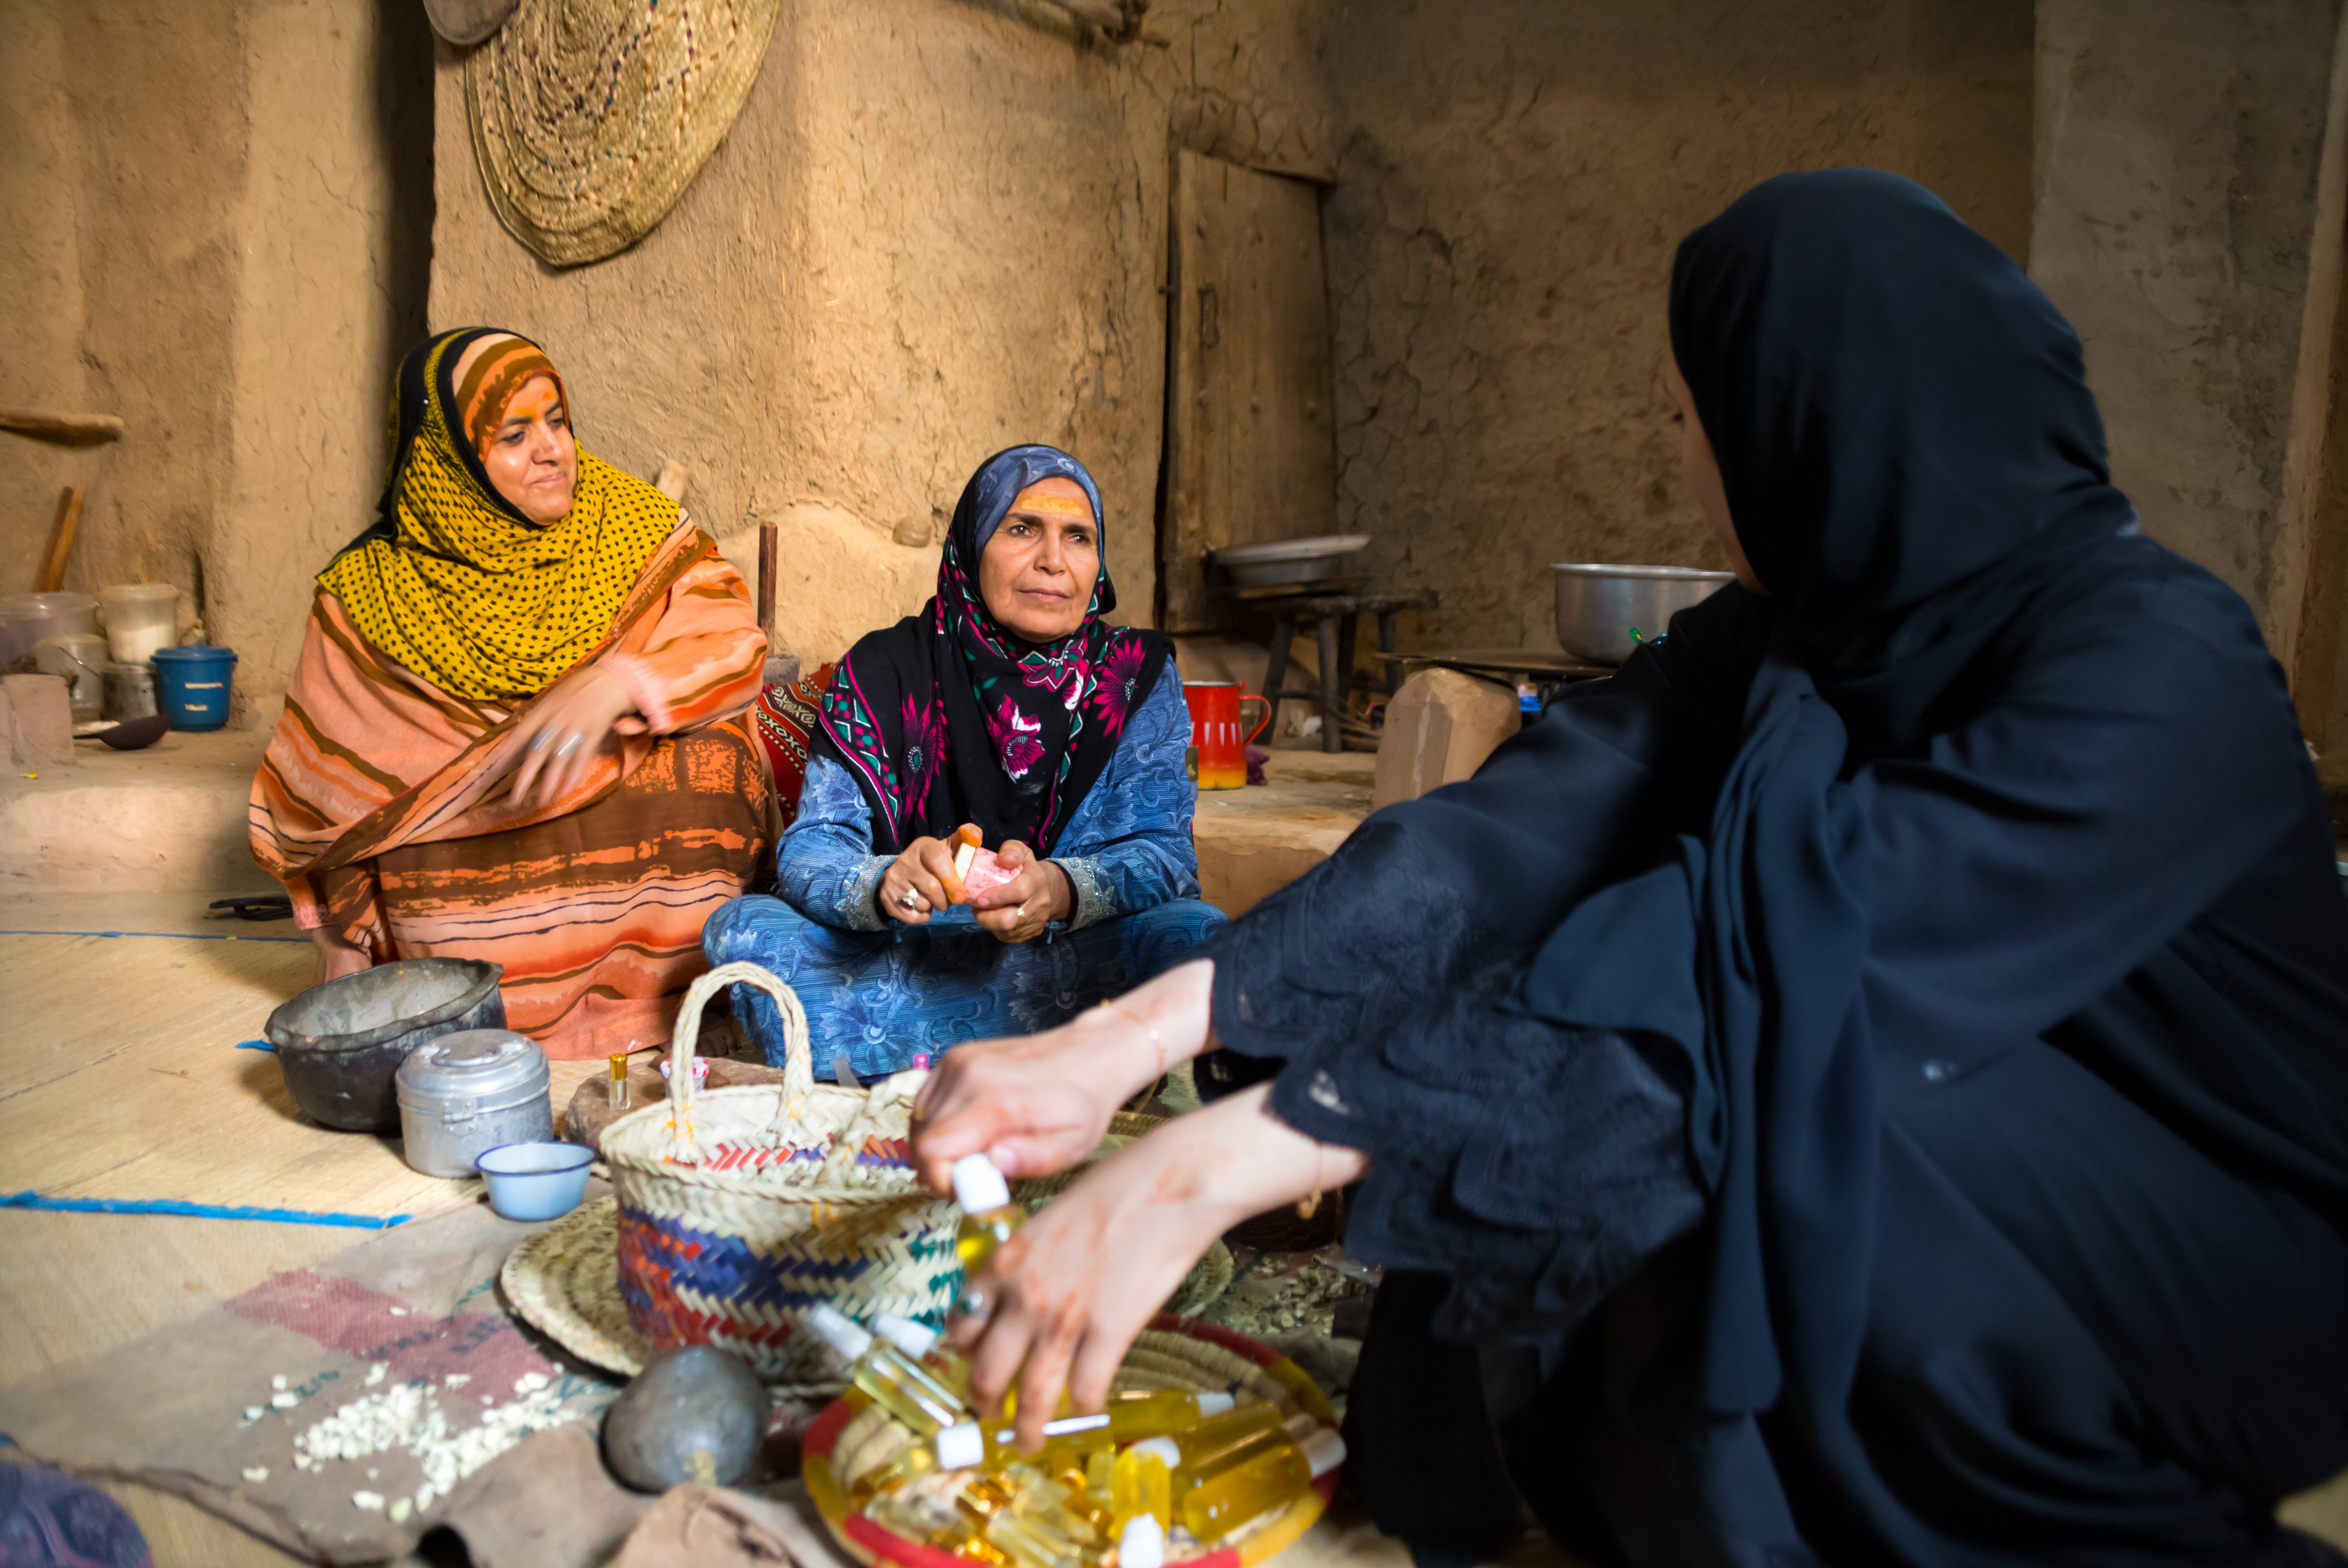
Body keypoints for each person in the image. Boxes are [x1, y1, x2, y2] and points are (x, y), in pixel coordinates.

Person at [907, 172, 2348, 1566]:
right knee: (1624, 993)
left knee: (1766, 1094)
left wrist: (1217, 1162)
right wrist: (1122, 1041)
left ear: (1808, 422)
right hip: (1957, 1122)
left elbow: (1771, 975)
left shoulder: (2162, 673)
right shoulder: (1796, 628)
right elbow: (1513, 830)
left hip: (2211, 1255)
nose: (1683, 462)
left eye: (1688, 418)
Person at [251, 328, 770, 1059]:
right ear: (450, 460)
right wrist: (340, 937)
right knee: (428, 813)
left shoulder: (631, 524)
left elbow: (732, 642)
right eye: (514, 435)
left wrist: (619, 681)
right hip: (469, 889)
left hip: (651, 906)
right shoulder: (371, 593)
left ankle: (664, 1000)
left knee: (713, 758)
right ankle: (493, 1003)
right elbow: (323, 792)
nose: (553, 449)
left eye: (557, 421)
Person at [703, 445, 1223, 1077]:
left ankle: (893, 1058)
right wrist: (886, 880)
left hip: (1065, 941)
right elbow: (812, 850)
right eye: (1023, 529)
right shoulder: (884, 669)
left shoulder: (1135, 675)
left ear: (1098, 562)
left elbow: (1166, 857)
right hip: (909, 941)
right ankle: (1074, 1060)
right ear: (971, 545)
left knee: (1201, 936)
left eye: (1078, 537)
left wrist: (1058, 889)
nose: (1053, 561)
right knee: (743, 929)